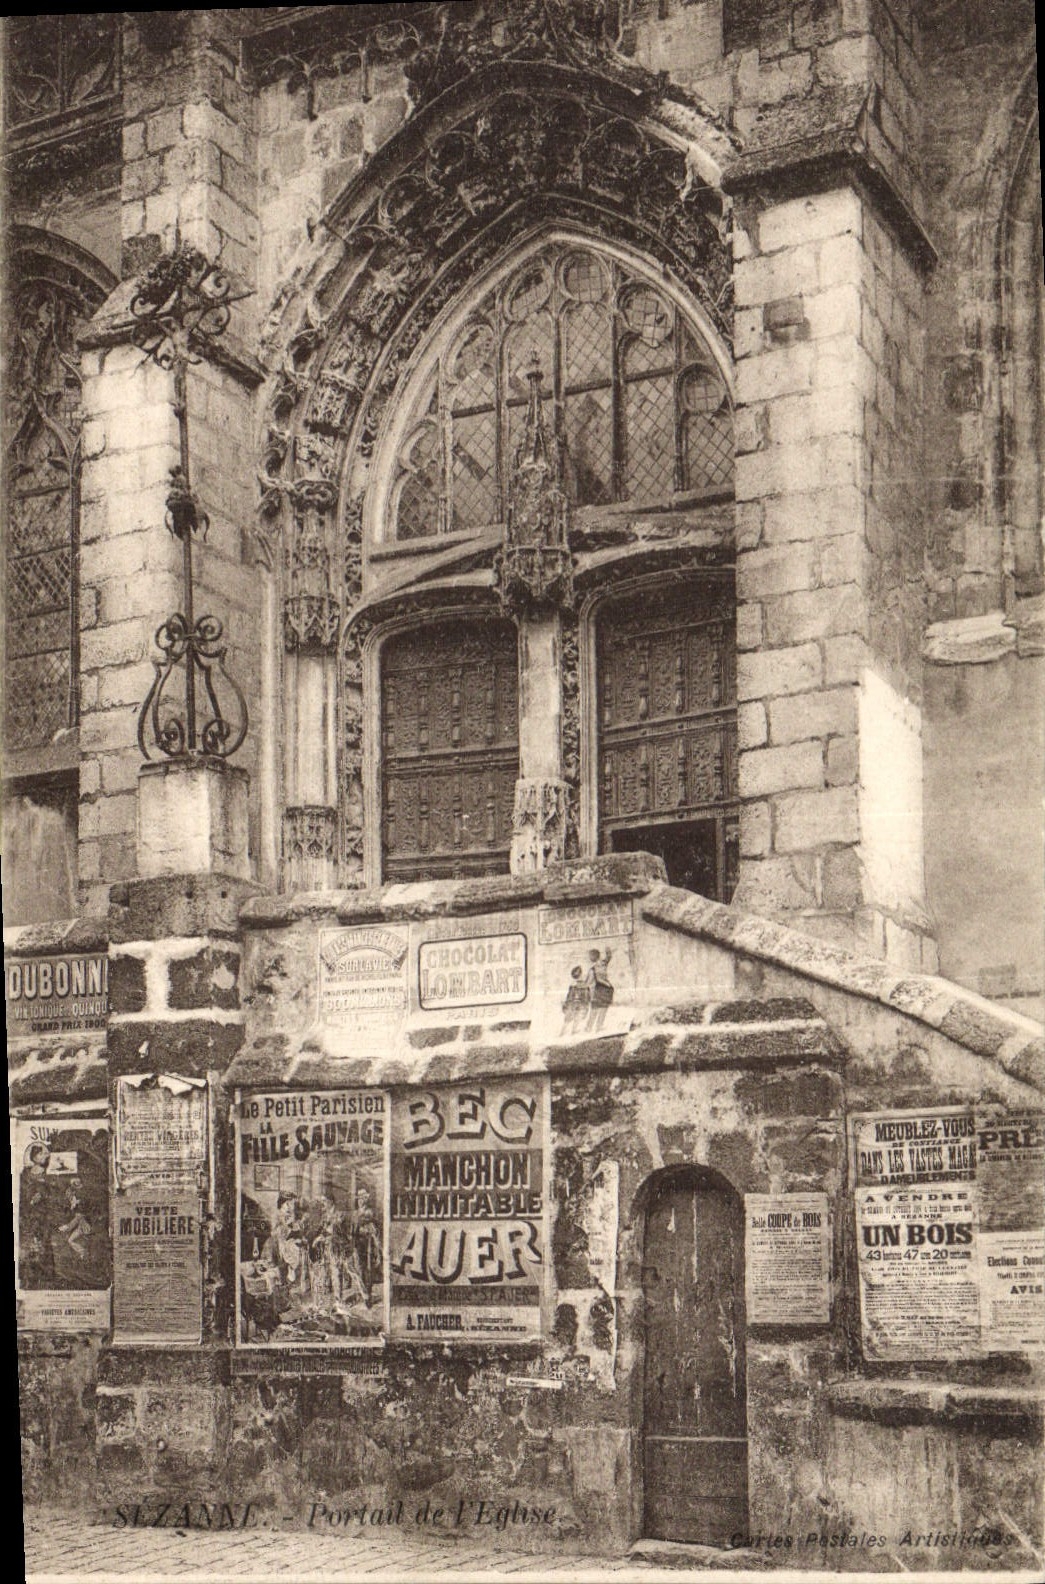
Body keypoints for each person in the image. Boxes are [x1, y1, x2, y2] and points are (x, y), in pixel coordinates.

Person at [585, 948, 614, 1032]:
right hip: (607, 988)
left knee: (595, 1010)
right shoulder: (603, 964)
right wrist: (608, 951)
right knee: (603, 1009)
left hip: (599, 989)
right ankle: (598, 1027)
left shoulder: (592, 969)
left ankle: (589, 1027)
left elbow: (587, 982)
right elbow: (609, 957)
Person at [561, 964, 588, 1035]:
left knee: (568, 1019)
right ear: (581, 974)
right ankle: (573, 1031)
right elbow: (586, 997)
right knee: (576, 1018)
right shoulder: (584, 985)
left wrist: (566, 1004)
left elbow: (569, 996)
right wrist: (586, 1006)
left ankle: (563, 1032)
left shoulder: (572, 985)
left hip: (572, 1004)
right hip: (579, 1004)